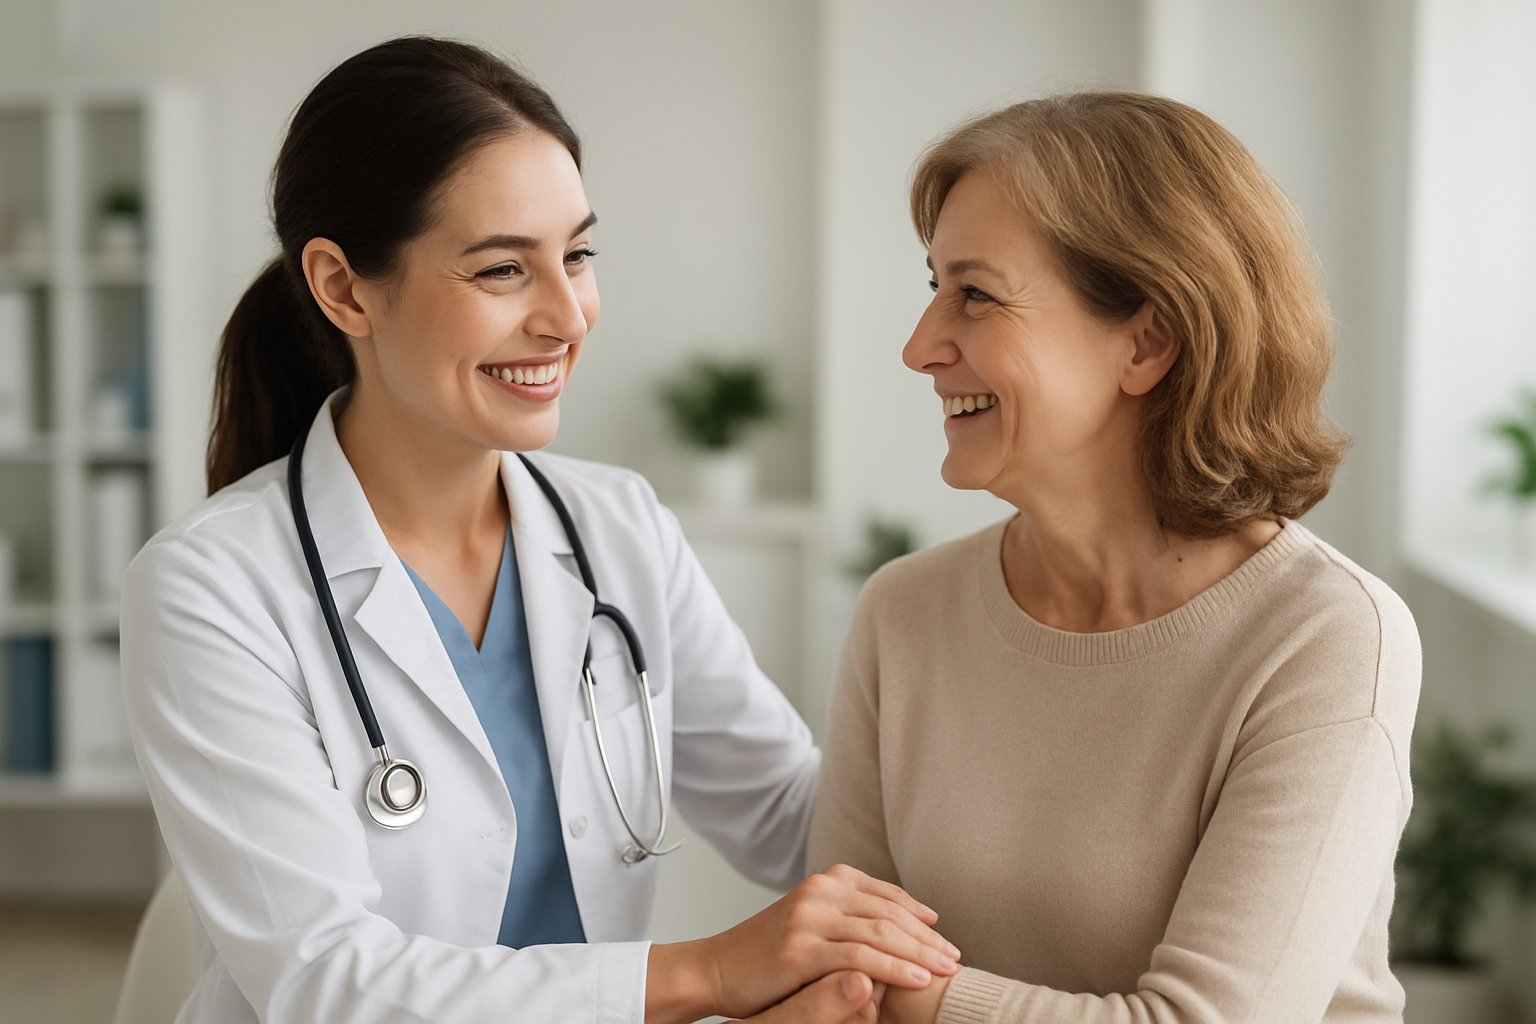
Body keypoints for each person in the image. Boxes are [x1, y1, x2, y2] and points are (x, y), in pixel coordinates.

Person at [120, 36, 958, 1024]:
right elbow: (326, 983)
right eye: (502, 270)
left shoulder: (618, 527)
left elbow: (796, 814)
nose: (568, 315)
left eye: (579, 254)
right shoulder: (209, 586)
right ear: (344, 287)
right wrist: (717, 975)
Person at [807, 92, 1421, 1024]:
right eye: (933, 288)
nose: (921, 346)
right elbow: (830, 979)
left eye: (975, 293)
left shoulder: (1325, 636)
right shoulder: (906, 612)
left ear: (1147, 341)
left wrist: (911, 998)